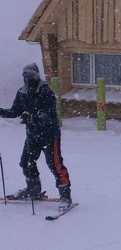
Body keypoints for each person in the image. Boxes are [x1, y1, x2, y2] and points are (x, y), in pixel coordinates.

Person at [0, 63, 72, 211]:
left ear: (36, 77)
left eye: (30, 76)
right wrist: (1, 112)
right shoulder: (22, 93)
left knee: (55, 165)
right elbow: (15, 111)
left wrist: (34, 118)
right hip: (32, 135)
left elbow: (50, 116)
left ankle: (65, 196)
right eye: (24, 76)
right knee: (26, 162)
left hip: (49, 135)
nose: (27, 79)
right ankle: (33, 189)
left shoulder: (46, 92)